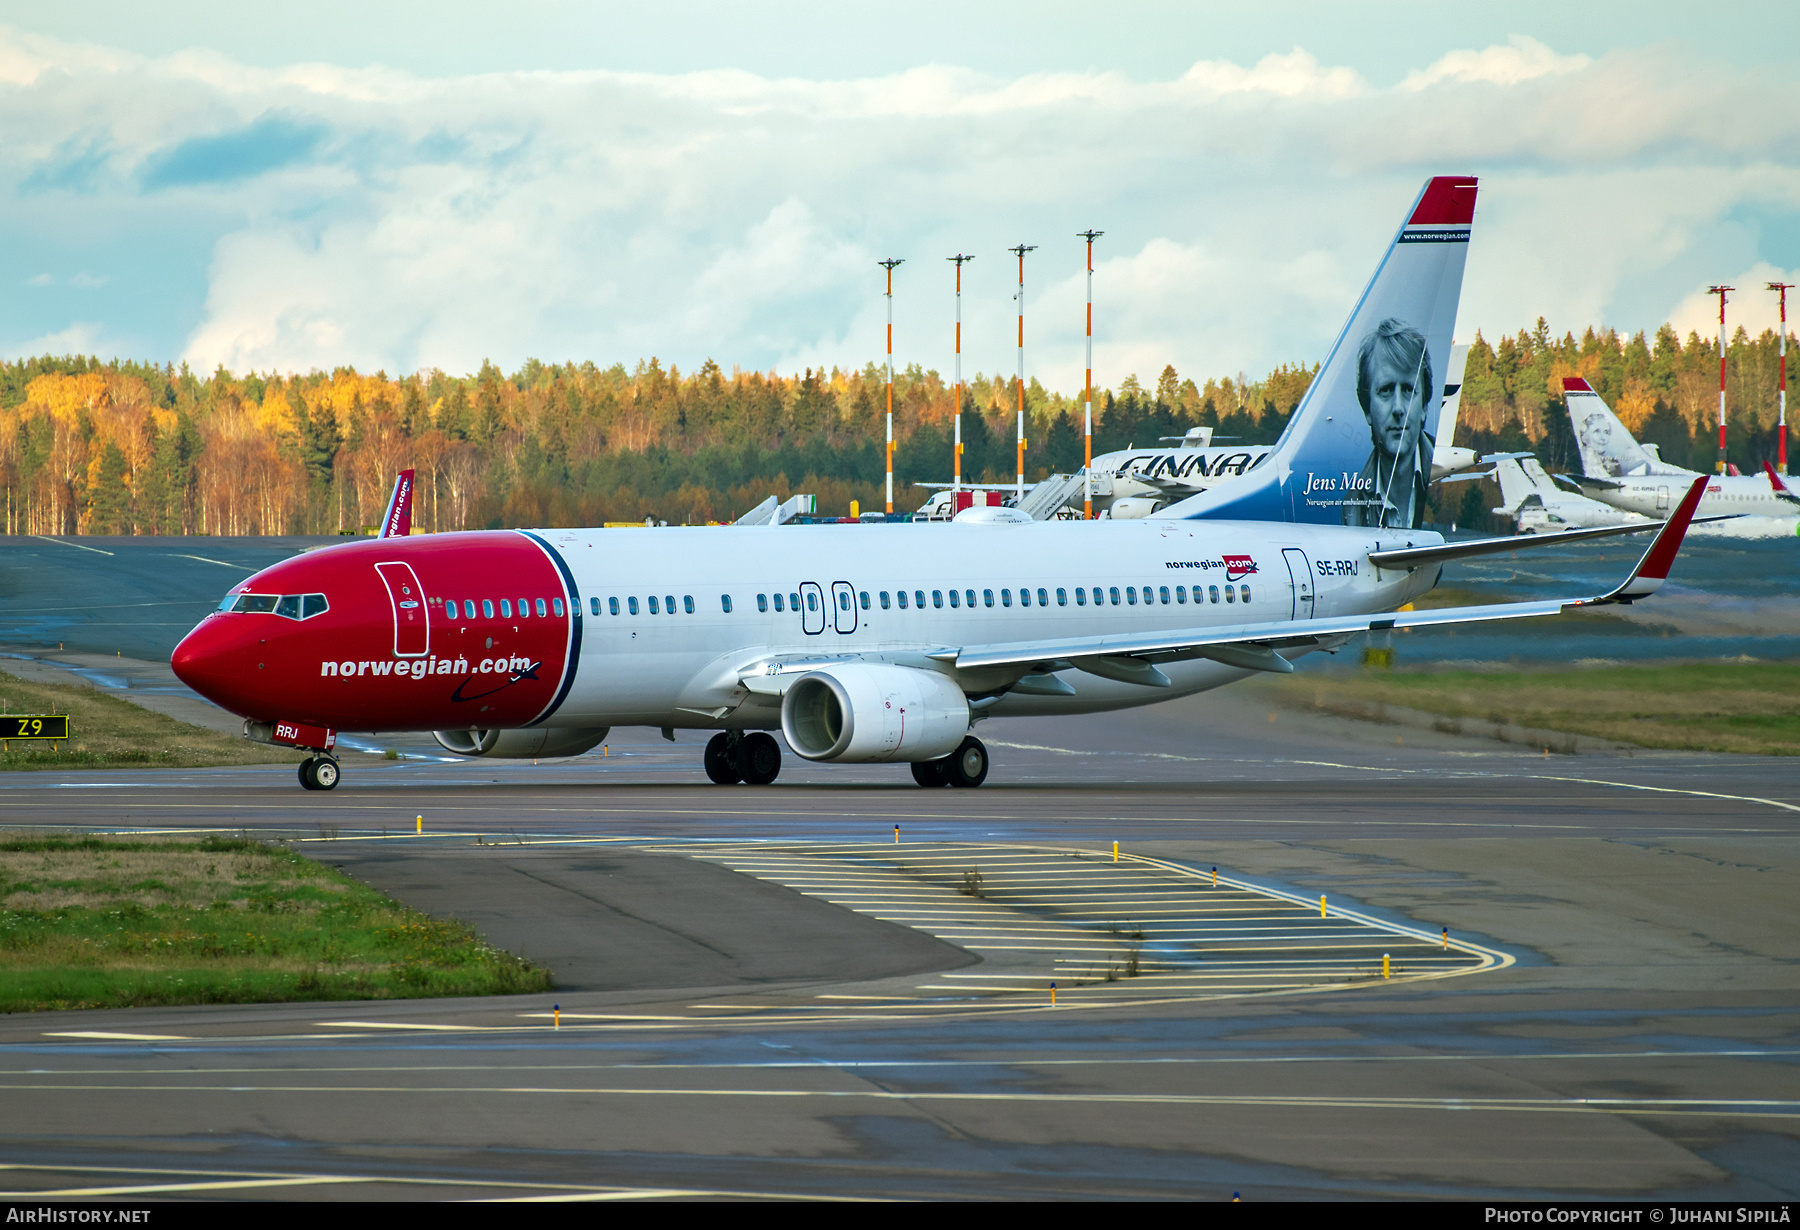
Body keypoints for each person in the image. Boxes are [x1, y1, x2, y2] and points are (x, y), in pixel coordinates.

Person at [1343, 317, 1433, 528]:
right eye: (1385, 390)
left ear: (1425, 406)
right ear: (1367, 407)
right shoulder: (1352, 504)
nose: (1398, 408)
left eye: (1409, 391)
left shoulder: (1443, 481)